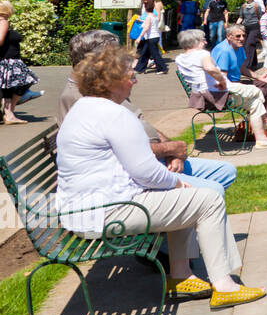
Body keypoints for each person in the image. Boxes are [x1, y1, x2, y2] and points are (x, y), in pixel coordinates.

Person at [57, 45, 266, 308]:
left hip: (86, 209)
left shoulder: (86, 108)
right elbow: (145, 171)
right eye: (130, 75)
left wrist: (176, 184)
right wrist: (177, 181)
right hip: (106, 212)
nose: (135, 80)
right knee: (208, 199)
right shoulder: (114, 114)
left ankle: (180, 276)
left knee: (185, 195)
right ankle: (224, 286)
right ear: (111, 82)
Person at [57, 30, 237, 195]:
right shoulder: (81, 96)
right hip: (130, 177)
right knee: (212, 192)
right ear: (97, 59)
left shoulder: (105, 85)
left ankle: (183, 225)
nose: (120, 60)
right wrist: (170, 149)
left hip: (153, 160)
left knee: (225, 172)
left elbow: (141, 123)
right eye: (115, 54)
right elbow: (121, 153)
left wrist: (171, 151)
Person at [175, 29, 267, 149]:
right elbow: (210, 68)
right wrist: (221, 81)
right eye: (203, 40)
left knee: (255, 102)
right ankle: (265, 121)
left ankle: (262, 139)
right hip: (217, 95)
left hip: (200, 97)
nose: (205, 42)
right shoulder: (202, 54)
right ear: (196, 41)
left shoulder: (180, 58)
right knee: (255, 91)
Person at [0, 0, 40, 125]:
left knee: (7, 88)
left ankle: (9, 114)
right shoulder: (3, 21)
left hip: (7, 60)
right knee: (26, 81)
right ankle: (9, 112)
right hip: (9, 61)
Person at [133, 0, 167, 74]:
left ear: (145, 8)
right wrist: (142, 20)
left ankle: (162, 68)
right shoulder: (154, 16)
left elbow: (146, 28)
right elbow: (149, 23)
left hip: (150, 38)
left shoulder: (149, 17)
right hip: (154, 37)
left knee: (155, 54)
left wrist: (139, 37)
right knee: (145, 53)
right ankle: (139, 69)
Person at [237, 0, 262, 70]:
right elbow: (241, 17)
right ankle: (254, 63)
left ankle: (247, 66)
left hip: (254, 27)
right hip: (245, 28)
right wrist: (235, 26)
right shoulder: (243, 6)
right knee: (247, 45)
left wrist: (262, 29)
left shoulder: (256, 6)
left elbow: (260, 17)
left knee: (249, 44)